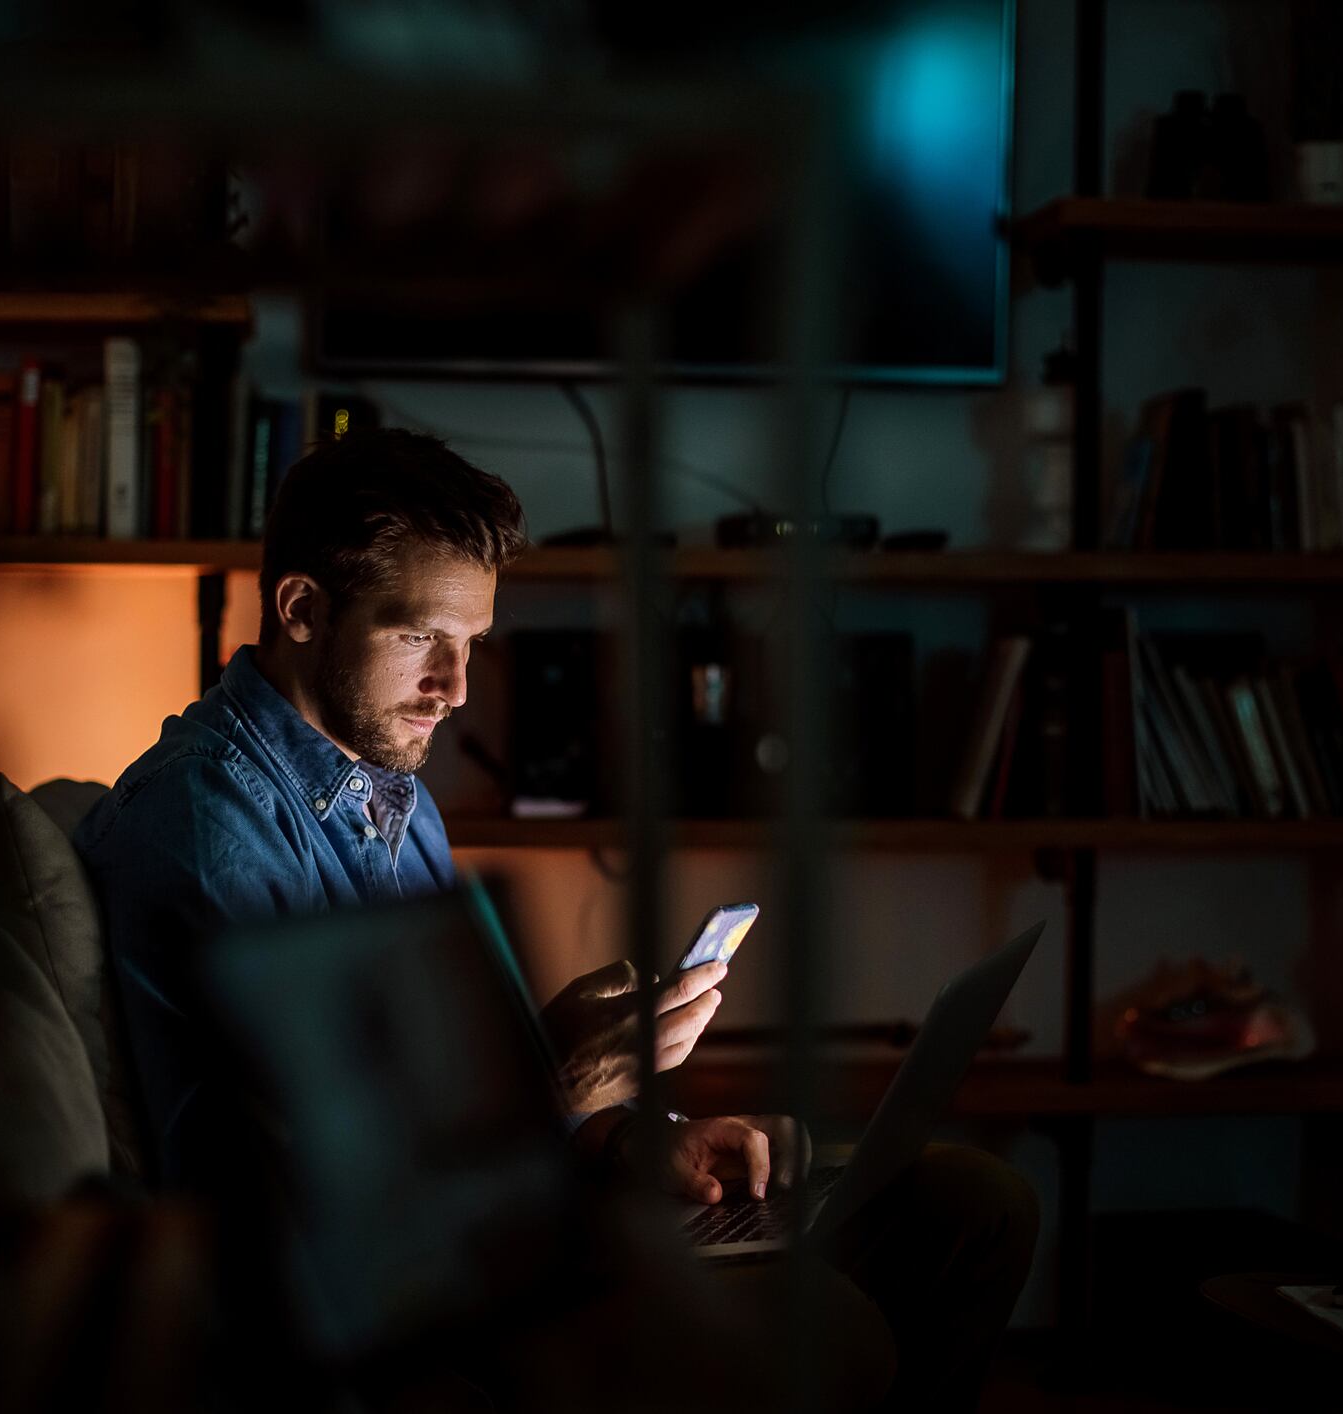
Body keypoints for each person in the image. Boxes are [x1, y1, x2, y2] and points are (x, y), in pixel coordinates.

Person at [76, 429, 1035, 1410]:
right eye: (420, 638)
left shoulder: (390, 797)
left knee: (970, 1203)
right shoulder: (209, 832)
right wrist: (550, 1081)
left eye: (471, 645)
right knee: (835, 1328)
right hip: (387, 1310)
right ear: (302, 608)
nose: (455, 689)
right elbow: (317, 1206)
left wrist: (619, 1138)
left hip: (491, 1234)